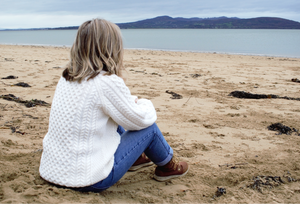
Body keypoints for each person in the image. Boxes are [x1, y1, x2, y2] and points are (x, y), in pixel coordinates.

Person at [39, 18, 188, 192]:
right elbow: (140, 120)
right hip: (91, 179)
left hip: (53, 171)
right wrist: (143, 102)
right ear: (111, 48)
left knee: (112, 116)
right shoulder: (105, 82)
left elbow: (101, 105)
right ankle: (168, 167)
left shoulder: (67, 78)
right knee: (149, 128)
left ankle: (137, 158)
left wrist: (126, 103)